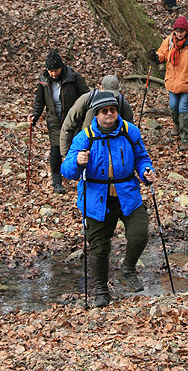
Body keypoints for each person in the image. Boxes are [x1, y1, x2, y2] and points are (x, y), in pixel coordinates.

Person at [61, 91, 156, 308]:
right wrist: (76, 160)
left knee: (140, 233)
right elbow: (66, 170)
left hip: (127, 194)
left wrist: (146, 172)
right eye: (104, 111)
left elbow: (142, 158)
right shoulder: (85, 137)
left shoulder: (129, 132)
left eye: (112, 110)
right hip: (96, 198)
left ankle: (128, 268)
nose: (109, 114)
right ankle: (102, 291)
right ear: (96, 114)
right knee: (99, 248)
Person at [28, 50, 89, 194]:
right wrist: (34, 116)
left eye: (55, 70)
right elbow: (39, 101)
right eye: (50, 71)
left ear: (61, 67)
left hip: (73, 119)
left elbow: (86, 96)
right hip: (54, 121)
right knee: (55, 150)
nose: (53, 74)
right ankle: (57, 181)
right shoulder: (44, 81)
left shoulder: (73, 77)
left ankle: (79, 176)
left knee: (75, 148)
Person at [147, 16, 188, 151]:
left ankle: (186, 137)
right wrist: (155, 57)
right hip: (172, 81)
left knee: (183, 107)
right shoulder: (169, 41)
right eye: (177, 31)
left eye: (181, 31)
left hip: (187, 82)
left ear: (186, 31)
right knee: (173, 105)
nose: (179, 33)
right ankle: (177, 124)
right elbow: (162, 54)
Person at [59, 74, 134, 158]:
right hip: (88, 147)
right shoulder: (86, 100)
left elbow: (130, 131)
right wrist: (66, 154)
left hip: (114, 150)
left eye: (114, 94)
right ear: (101, 88)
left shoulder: (122, 103)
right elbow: (68, 125)